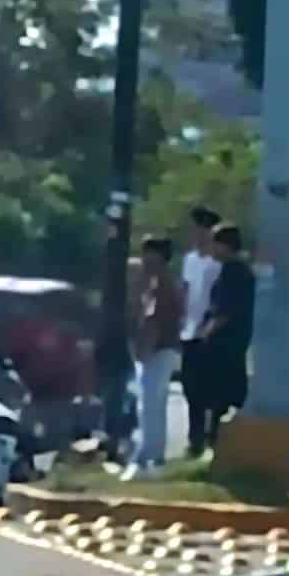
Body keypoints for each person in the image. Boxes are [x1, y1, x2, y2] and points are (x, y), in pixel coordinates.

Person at [121, 236, 183, 481]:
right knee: (152, 405)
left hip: (157, 350)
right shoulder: (156, 283)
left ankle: (147, 457)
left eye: (148, 253)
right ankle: (152, 456)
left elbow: (154, 321)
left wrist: (145, 348)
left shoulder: (162, 285)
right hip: (159, 349)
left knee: (149, 406)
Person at [200, 222, 256, 444]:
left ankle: (219, 440)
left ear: (225, 245)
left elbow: (227, 309)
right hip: (232, 341)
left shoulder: (234, 271)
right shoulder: (234, 270)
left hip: (227, 342)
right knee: (229, 393)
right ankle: (220, 438)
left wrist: (208, 331)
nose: (211, 249)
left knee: (223, 394)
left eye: (214, 243)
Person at [179, 206, 222, 456]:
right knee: (190, 387)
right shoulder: (190, 260)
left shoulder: (217, 264)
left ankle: (212, 436)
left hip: (209, 332)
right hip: (189, 330)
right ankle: (195, 437)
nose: (196, 234)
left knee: (210, 387)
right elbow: (186, 290)